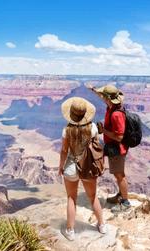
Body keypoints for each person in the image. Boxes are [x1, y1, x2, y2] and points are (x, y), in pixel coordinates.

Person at [58, 97, 107, 241]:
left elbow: (64, 151)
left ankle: (70, 231)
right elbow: (96, 144)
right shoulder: (92, 128)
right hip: (88, 167)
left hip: (71, 167)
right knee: (92, 197)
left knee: (71, 198)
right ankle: (102, 225)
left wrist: (61, 167)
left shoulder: (67, 130)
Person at [90, 84, 131, 212]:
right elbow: (103, 97)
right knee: (117, 174)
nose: (102, 98)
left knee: (120, 175)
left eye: (104, 96)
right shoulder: (111, 106)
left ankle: (125, 202)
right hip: (114, 147)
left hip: (118, 149)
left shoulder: (116, 115)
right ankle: (120, 195)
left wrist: (104, 131)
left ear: (108, 98)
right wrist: (94, 90)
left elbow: (119, 137)